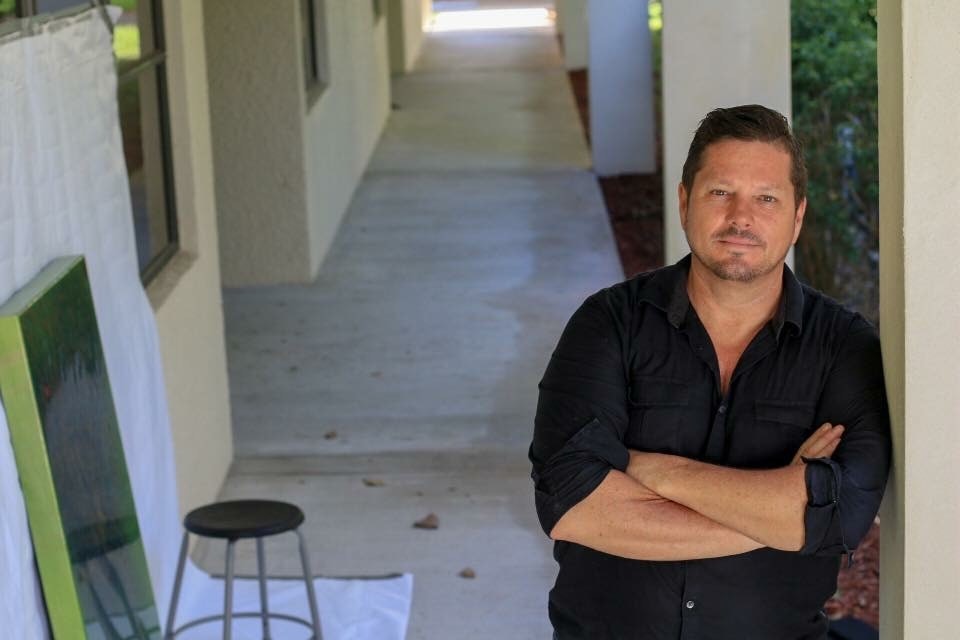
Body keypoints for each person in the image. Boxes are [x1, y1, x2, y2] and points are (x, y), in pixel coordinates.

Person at [529, 104, 891, 640]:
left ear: (797, 218)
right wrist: (781, 513)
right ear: (684, 202)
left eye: (766, 198)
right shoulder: (609, 323)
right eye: (721, 192)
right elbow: (572, 504)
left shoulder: (844, 347)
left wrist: (648, 470)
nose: (741, 218)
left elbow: (843, 515)